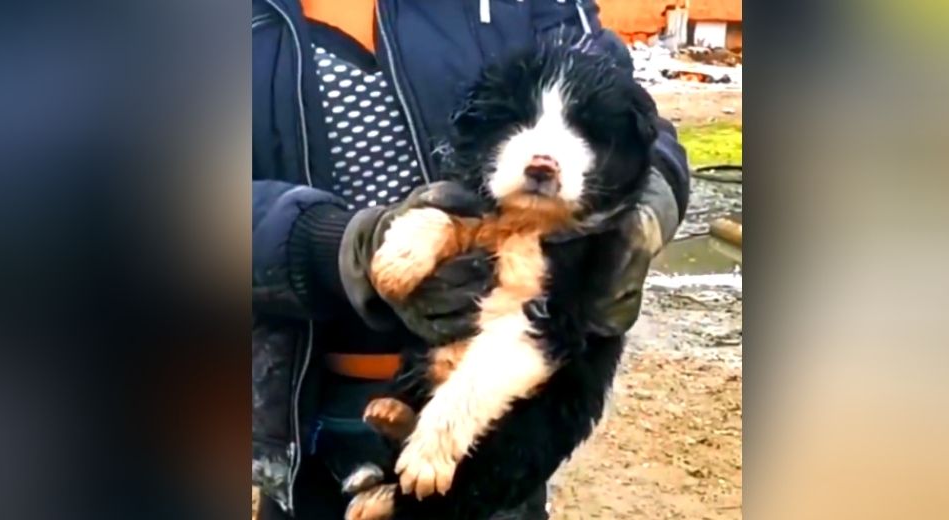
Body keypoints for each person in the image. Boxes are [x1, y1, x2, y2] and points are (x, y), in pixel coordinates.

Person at [252, 1, 690, 518]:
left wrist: (642, 210)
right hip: (304, 401)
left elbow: (631, 119)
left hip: (501, 404)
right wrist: (332, 246)